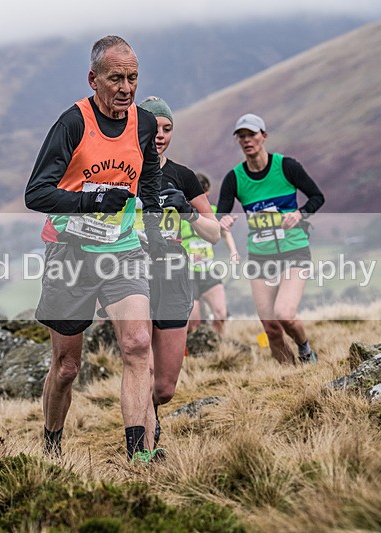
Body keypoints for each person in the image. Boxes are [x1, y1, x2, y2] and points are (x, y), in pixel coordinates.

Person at [25, 36, 168, 463]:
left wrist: (156, 227)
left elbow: (149, 181)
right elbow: (36, 194)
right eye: (115, 78)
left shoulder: (144, 124)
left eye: (133, 78)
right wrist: (93, 200)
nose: (126, 88)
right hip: (69, 253)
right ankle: (52, 444)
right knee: (67, 367)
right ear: (93, 79)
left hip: (122, 250)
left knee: (138, 344)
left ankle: (139, 456)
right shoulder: (72, 124)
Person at [137, 96, 220, 452]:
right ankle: (141, 443)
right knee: (141, 367)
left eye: (167, 129)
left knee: (165, 388)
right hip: (133, 279)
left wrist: (187, 210)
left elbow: (214, 233)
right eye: (153, 128)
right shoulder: (123, 174)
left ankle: (151, 412)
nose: (160, 135)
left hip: (174, 280)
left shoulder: (183, 176)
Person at [218, 113, 324, 364]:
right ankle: (291, 377)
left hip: (293, 249)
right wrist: (223, 222)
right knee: (272, 329)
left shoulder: (286, 167)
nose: (247, 140)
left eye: (251, 135)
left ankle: (305, 351)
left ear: (263, 136)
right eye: (241, 136)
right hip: (260, 256)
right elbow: (220, 216)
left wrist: (299, 214)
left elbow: (317, 197)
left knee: (284, 314)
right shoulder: (235, 178)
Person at [182, 173, 237, 336]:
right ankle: (193, 346)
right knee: (193, 323)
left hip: (208, 270)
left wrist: (233, 251)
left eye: (205, 193)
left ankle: (216, 344)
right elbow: (170, 241)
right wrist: (187, 257)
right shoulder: (181, 214)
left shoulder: (213, 211)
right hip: (187, 273)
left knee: (220, 314)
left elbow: (224, 232)